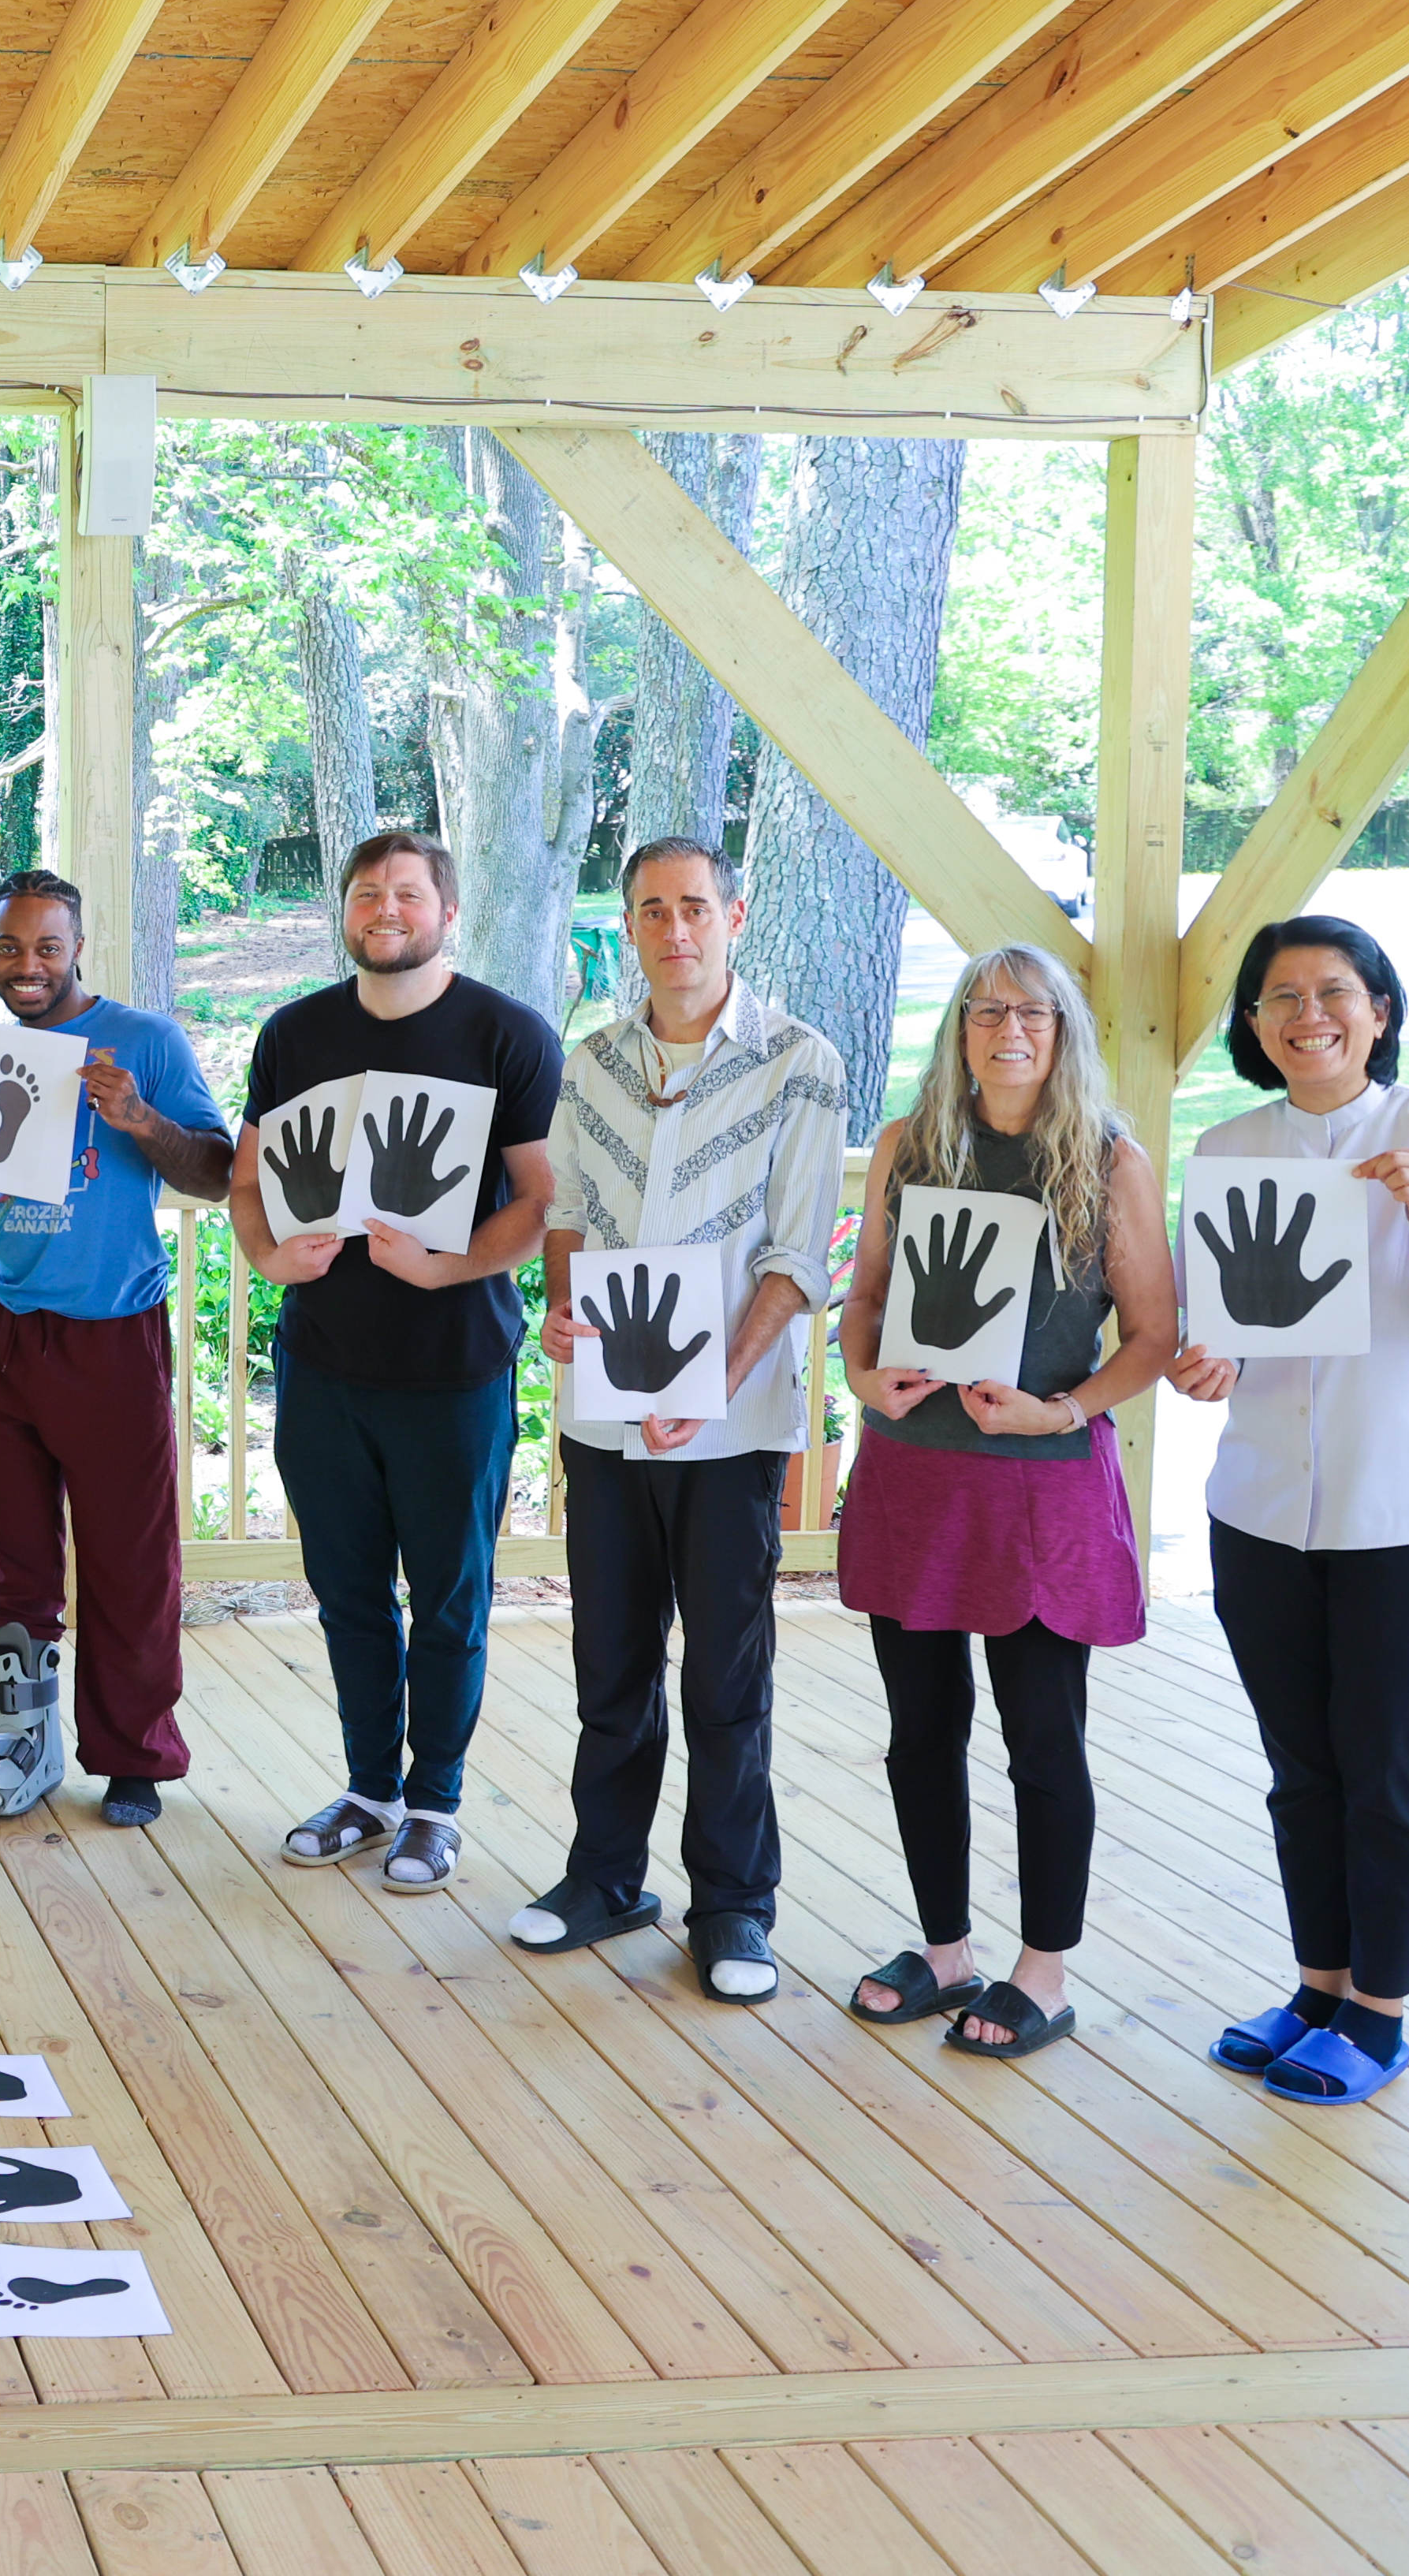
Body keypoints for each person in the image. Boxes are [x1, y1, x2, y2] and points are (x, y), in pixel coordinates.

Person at [1169, 916, 1409, 2106]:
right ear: (1253, 1023)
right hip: (1266, 1511)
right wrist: (1203, 1362)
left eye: (1336, 992)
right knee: (1302, 1768)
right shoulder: (1226, 1150)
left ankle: (1380, 2013)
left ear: (1380, 1010)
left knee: (1396, 1767)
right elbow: (1220, 1328)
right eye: (1280, 996)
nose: (1307, 1014)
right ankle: (1318, 1987)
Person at [519, 837, 847, 2004]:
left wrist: (708, 1386)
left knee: (725, 1672)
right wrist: (562, 1310)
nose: (675, 931)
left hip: (734, 1423)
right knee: (608, 1659)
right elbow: (568, 1214)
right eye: (652, 910)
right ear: (633, 924)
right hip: (605, 1417)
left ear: (735, 916)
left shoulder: (799, 1061)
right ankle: (606, 1876)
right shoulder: (592, 1060)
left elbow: (796, 1257)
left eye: (694, 908)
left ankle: (733, 1906)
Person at [832, 945, 1172, 2059]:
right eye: (985, 1012)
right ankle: (943, 1953)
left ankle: (1043, 1971)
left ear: (1064, 1030)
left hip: (1038, 1488)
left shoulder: (1107, 1160)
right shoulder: (909, 1147)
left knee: (1042, 1738)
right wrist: (859, 1369)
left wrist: (1062, 1412)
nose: (1006, 1030)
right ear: (959, 1030)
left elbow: (1154, 1338)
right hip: (913, 1474)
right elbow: (869, 1296)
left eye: (1031, 1012)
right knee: (919, 1731)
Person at [236, 832, 558, 1892]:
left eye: (408, 894)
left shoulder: (506, 1034)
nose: (386, 909)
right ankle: (370, 1791)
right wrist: (270, 1253)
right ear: (345, 911)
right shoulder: (294, 1033)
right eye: (367, 893)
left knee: (451, 1597)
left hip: (454, 1368)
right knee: (348, 1592)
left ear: (446, 912)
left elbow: (546, 1203)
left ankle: (437, 1804)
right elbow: (248, 1185)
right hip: (324, 1368)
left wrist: (448, 1267)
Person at [0, 871, 232, 1825]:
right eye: (11, 948)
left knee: (127, 1555)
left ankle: (134, 1754)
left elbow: (217, 1172)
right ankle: (22, 1738)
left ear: (79, 947)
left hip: (113, 1329)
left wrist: (139, 1117)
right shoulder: (0, 1053)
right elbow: (0, 1212)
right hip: (9, 1327)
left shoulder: (145, 1040)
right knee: (6, 1551)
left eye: (47, 948)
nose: (28, 966)